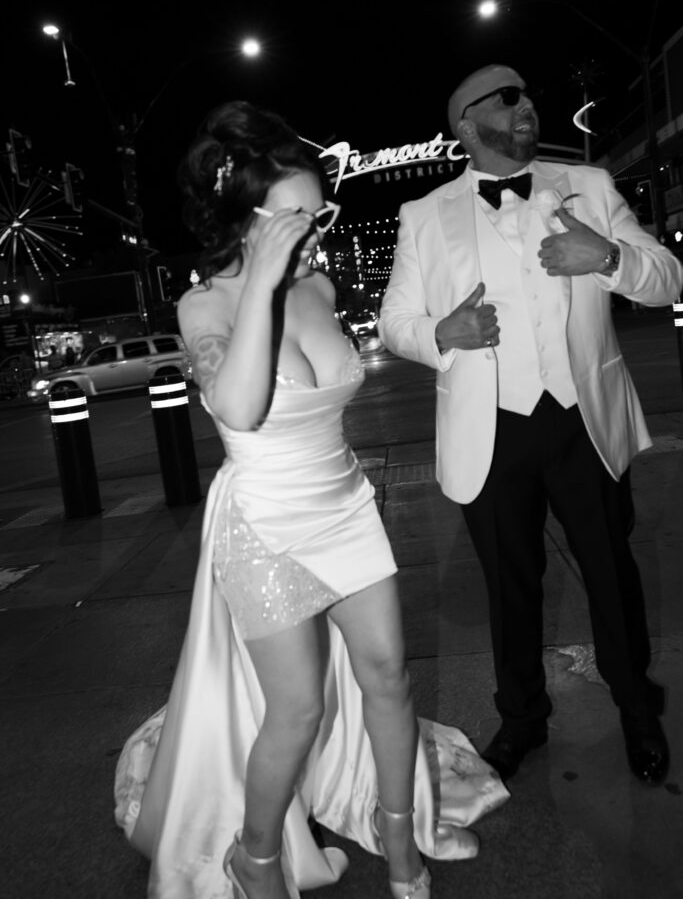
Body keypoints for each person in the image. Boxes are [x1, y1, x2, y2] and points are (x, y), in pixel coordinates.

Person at [113, 100, 508, 899]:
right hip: (264, 525)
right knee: (293, 713)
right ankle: (253, 856)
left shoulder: (320, 287)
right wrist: (257, 280)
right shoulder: (205, 307)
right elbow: (239, 407)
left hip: (346, 506)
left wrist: (288, 270)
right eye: (296, 217)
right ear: (245, 220)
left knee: (389, 678)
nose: (316, 228)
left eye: (317, 211)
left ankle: (399, 845)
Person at [378, 64, 683, 787]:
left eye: (527, 97)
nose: (526, 108)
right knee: (509, 588)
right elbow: (394, 323)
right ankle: (521, 721)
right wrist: (442, 332)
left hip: (583, 420)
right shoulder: (423, 215)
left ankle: (638, 711)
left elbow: (667, 274)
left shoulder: (590, 186)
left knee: (611, 575)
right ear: (463, 122)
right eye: (507, 99)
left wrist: (605, 258)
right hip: (490, 430)